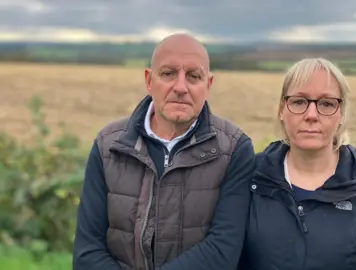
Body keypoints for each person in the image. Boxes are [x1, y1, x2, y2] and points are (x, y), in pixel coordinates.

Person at [72, 33, 256, 270]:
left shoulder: (234, 150)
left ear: (208, 85)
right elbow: (88, 252)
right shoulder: (109, 146)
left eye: (194, 76)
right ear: (149, 80)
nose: (180, 87)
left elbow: (223, 250)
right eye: (168, 73)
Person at [238, 58, 356, 270]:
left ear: (341, 114)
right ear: (282, 110)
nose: (311, 115)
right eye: (299, 102)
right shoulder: (251, 175)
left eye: (327, 103)